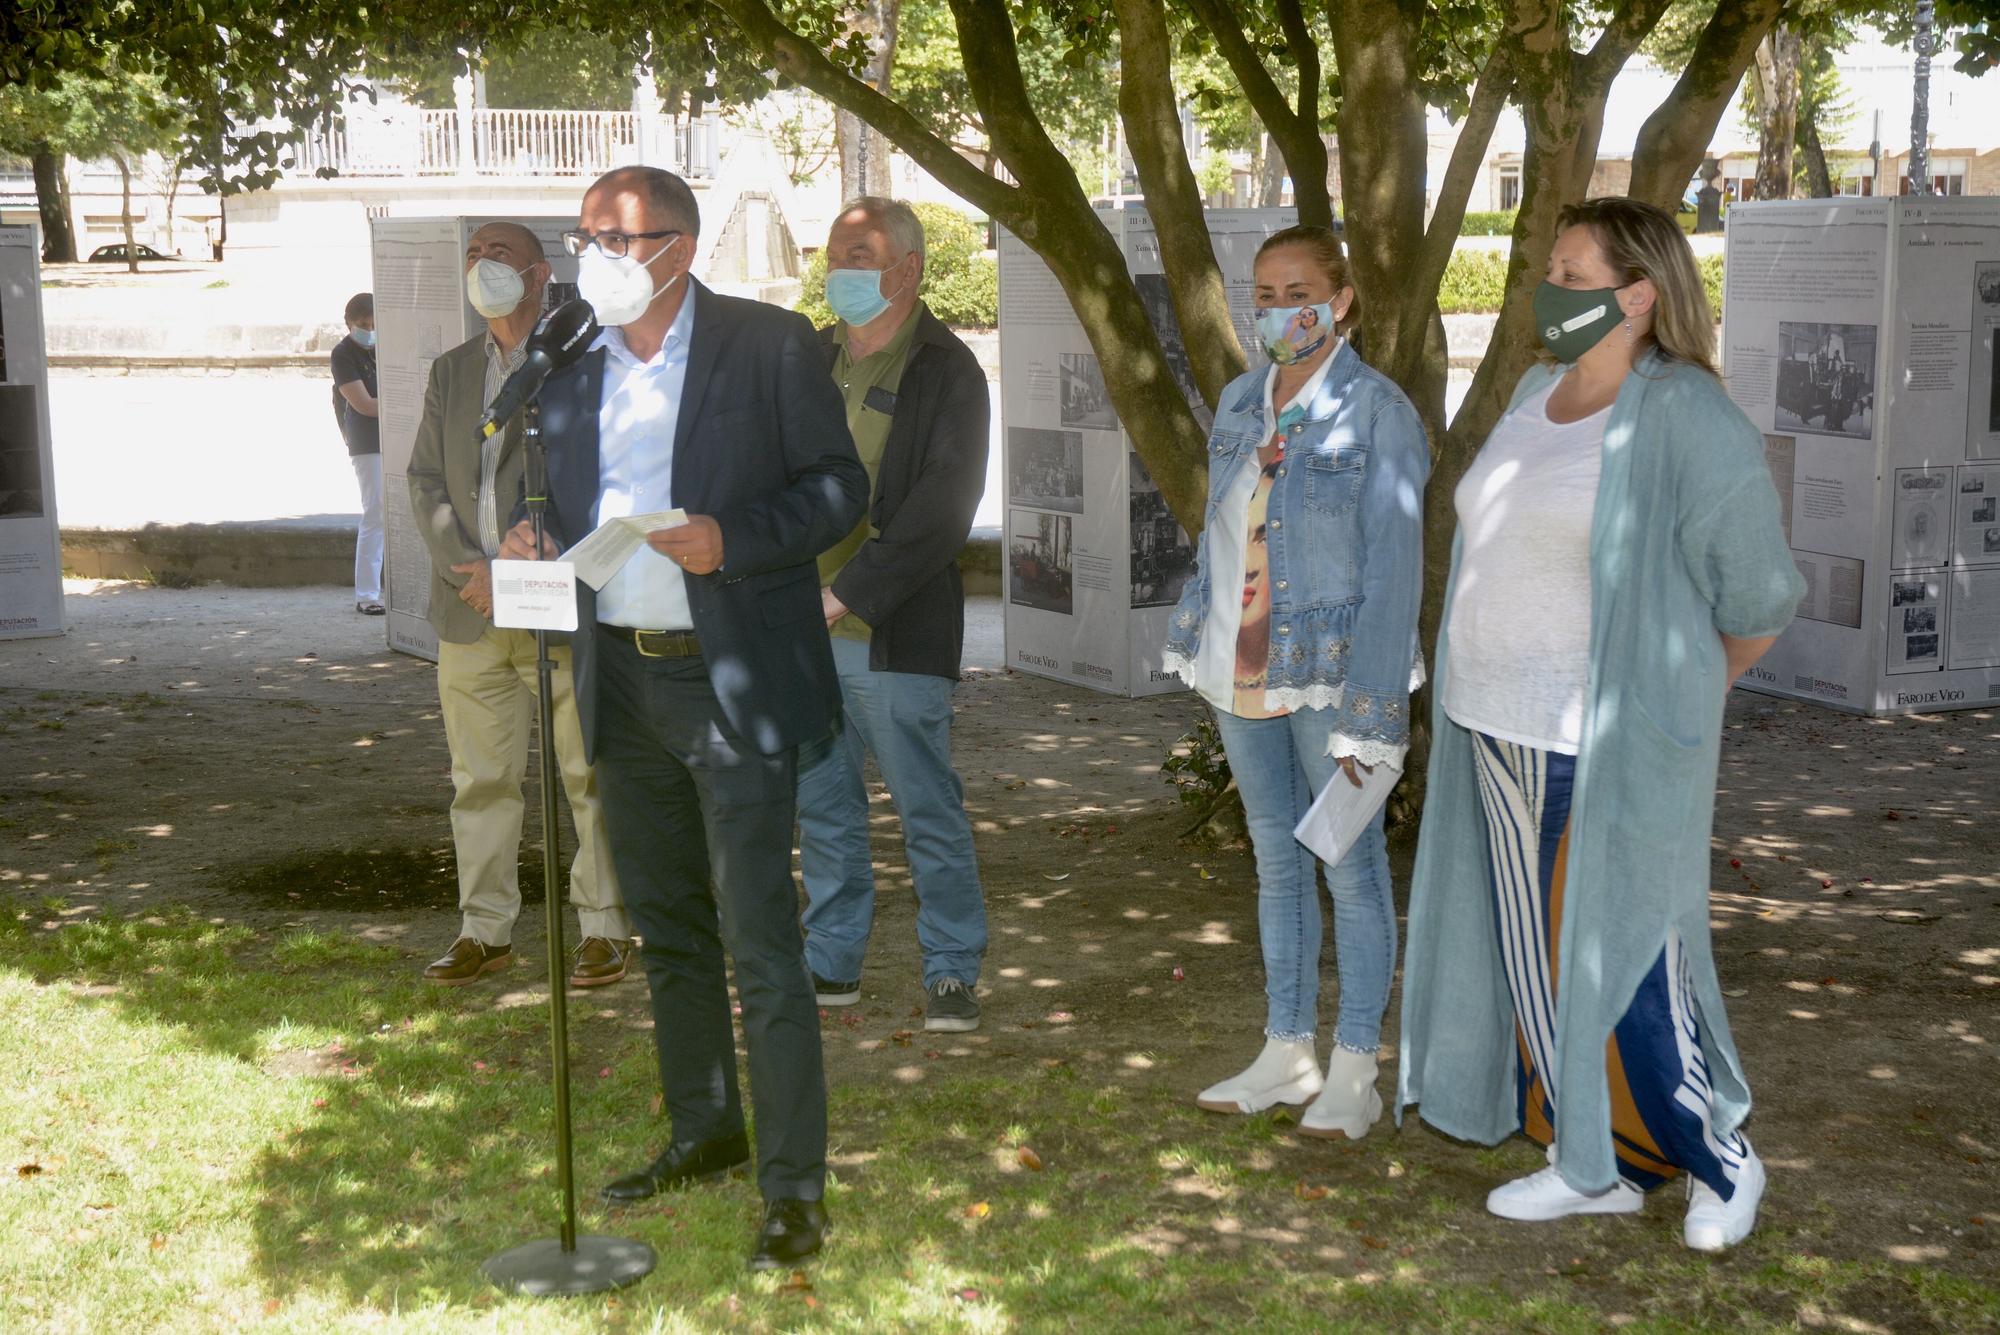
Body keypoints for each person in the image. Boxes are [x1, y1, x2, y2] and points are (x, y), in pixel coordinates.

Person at [1397, 197, 1805, 1253]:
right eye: (1552, 269)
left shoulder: (1685, 414)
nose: (1550, 290)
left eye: (1573, 276)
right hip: (1492, 727)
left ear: (1638, 294)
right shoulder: (1536, 392)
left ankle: (1721, 1156)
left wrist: (1682, 694)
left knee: (1627, 961)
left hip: (1605, 746)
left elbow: (1756, 597)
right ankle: (1589, 1162)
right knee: (1535, 959)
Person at [497, 165, 865, 1271]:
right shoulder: (564, 358)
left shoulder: (768, 345)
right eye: (584, 235)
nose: (593, 255)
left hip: (727, 678)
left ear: (678, 246)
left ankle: (793, 1186)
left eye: (617, 236)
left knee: (760, 935)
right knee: (668, 928)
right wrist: (525, 532)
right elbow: (544, 491)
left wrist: (733, 538)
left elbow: (840, 487)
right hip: (616, 678)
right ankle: (706, 1128)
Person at [1161, 225, 1428, 1140]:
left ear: (1343, 299)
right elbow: (1223, 530)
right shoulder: (1241, 399)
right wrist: (1200, 630)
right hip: (1240, 665)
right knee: (1277, 858)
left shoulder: (1381, 411)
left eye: (1299, 290)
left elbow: (1397, 569)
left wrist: (1374, 709)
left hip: (1332, 677)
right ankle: (1287, 1050)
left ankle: (1356, 1065)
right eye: (1265, 293)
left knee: (1347, 865)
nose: (1279, 310)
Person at [405, 222, 631, 990]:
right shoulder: (453, 370)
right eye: (471, 254)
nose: (480, 266)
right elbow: (425, 481)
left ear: (539, 275)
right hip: (469, 608)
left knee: (587, 772)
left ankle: (602, 925)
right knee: (481, 781)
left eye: (496, 255)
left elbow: (603, 480)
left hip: (555, 606)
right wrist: (470, 567)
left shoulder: (583, 363)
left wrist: (530, 557)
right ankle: (484, 930)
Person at [793, 197, 991, 1032]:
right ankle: (830, 961)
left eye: (861, 251)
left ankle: (951, 966)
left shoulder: (947, 371)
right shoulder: (803, 359)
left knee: (927, 813)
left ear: (906, 268)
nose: (841, 266)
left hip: (893, 638)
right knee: (824, 811)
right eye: (836, 250)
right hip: (800, 635)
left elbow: (942, 512)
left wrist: (844, 595)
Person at [330, 293, 384, 614]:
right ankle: (367, 595)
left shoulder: (387, 345)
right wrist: (410, 404)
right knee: (375, 512)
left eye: (375, 324)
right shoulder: (342, 354)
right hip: (367, 442)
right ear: (348, 323)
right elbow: (363, 405)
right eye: (363, 325)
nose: (370, 330)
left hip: (399, 437)